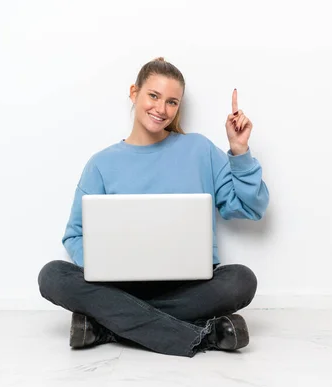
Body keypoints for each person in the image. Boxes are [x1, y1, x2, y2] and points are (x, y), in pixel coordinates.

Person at [37, 57, 269, 357]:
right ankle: (202, 336)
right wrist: (106, 264)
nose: (161, 109)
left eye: (172, 102)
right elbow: (74, 235)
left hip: (189, 286)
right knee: (51, 275)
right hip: (122, 287)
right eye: (154, 96)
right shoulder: (102, 163)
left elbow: (250, 208)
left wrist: (240, 152)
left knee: (241, 281)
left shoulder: (199, 149)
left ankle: (108, 325)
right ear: (134, 93)